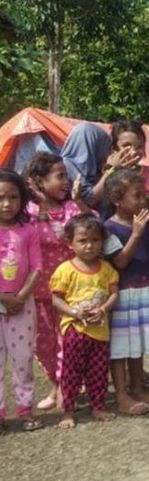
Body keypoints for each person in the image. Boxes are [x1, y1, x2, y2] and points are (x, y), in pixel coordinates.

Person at [24, 152, 89, 411]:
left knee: (68, 342)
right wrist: (40, 207)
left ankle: (63, 389)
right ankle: (57, 383)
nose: (65, 181)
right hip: (38, 290)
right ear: (39, 182)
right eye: (59, 176)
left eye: (66, 175)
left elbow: (81, 231)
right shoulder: (27, 212)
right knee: (44, 343)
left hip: (71, 291)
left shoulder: (70, 208)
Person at [103, 169, 149, 414]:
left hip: (146, 289)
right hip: (124, 293)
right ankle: (121, 394)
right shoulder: (108, 227)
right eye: (136, 196)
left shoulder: (145, 221)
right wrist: (137, 233)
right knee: (121, 347)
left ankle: (138, 386)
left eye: (144, 196)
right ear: (117, 200)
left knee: (137, 343)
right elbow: (120, 261)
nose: (142, 201)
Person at [50, 214, 119, 429]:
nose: (89, 245)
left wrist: (103, 309)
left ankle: (98, 406)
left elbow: (114, 294)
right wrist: (74, 313)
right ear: (70, 243)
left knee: (98, 372)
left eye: (95, 240)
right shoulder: (65, 270)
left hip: (100, 331)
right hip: (74, 330)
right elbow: (55, 298)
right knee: (71, 372)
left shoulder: (107, 270)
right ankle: (68, 411)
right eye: (82, 240)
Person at [0, 170, 43, 432]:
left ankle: (25, 409)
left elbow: (37, 267)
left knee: (23, 358)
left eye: (13, 197)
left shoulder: (28, 230)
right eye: (1, 197)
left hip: (22, 306)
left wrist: (20, 298)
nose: (7, 203)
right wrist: (3, 298)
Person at [61, 122, 134, 209]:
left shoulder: (96, 168)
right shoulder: (66, 167)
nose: (106, 153)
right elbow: (89, 200)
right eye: (104, 147)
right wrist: (110, 171)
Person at [110, 120, 149, 197]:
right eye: (126, 146)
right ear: (114, 148)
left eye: (139, 146)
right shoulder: (109, 174)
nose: (133, 151)